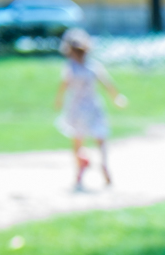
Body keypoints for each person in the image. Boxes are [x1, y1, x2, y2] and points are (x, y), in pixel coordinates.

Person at [54, 28, 126, 192]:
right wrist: (116, 98)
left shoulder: (71, 67)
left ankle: (80, 172)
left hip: (78, 108)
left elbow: (63, 86)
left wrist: (58, 101)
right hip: (92, 106)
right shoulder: (93, 66)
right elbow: (107, 84)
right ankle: (103, 167)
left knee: (78, 143)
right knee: (100, 140)